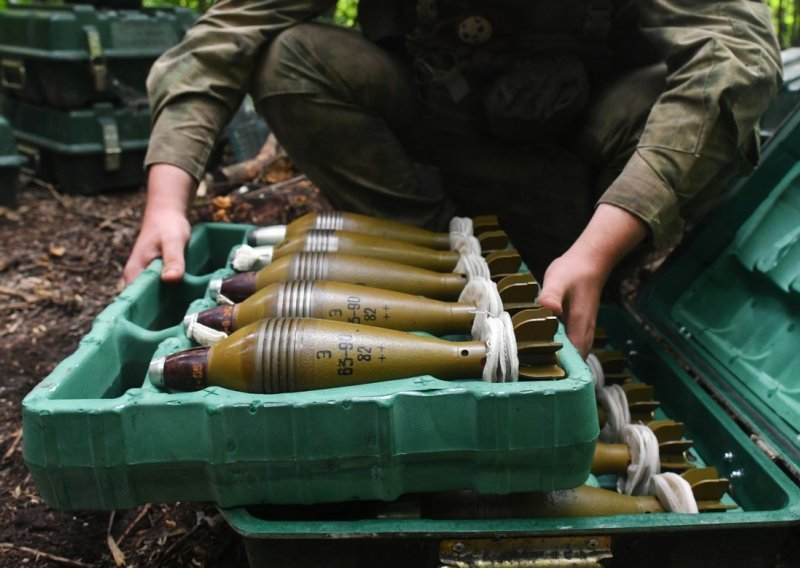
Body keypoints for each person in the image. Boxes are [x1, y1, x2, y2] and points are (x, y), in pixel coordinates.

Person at [123, 0, 782, 358]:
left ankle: (586, 282)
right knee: (290, 57)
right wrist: (166, 199)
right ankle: (431, 271)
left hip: (582, 182)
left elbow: (738, 56)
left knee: (683, 94)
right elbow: (231, 28)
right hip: (433, 160)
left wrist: (599, 250)